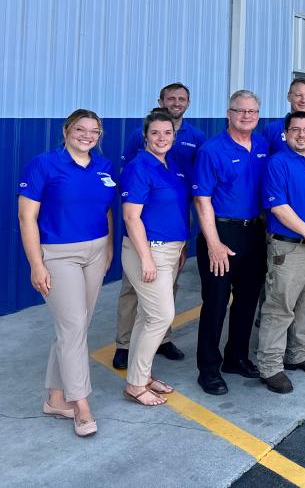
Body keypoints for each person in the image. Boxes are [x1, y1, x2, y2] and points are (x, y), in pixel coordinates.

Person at [18, 109, 115, 436]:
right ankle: (81, 404)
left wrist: (110, 247)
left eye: (94, 131)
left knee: (74, 327)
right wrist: (36, 264)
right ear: (66, 130)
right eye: (80, 129)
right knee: (73, 327)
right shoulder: (44, 164)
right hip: (59, 255)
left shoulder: (103, 166)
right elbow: (26, 218)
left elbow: (107, 209)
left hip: (96, 251)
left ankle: (56, 398)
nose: (87, 135)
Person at [114, 82, 206, 369]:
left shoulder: (196, 136)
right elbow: (130, 180)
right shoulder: (138, 139)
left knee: (169, 284)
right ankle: (124, 342)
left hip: (178, 215)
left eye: (182, 99)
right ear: (161, 101)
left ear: (188, 103)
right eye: (171, 98)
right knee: (134, 285)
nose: (176, 103)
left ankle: (162, 338)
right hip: (147, 217)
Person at [192, 90, 269, 395]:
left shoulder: (262, 145)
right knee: (216, 303)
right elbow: (202, 199)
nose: (246, 116)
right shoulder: (212, 149)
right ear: (229, 113)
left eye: (252, 112)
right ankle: (208, 368)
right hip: (222, 232)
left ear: (258, 116)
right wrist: (213, 243)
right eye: (240, 111)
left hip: (254, 232)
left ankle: (236, 357)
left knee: (248, 300)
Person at [257, 111, 305, 394]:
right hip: (289, 248)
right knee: (280, 307)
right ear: (286, 133)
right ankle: (270, 366)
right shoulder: (277, 163)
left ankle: (299, 354)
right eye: (295, 130)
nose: (302, 134)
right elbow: (278, 206)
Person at [119, 110, 191, 406]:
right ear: (145, 136)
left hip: (170, 249)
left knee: (146, 317)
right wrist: (146, 259)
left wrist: (181, 247)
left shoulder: (171, 164)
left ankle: (142, 375)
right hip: (149, 250)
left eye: (167, 133)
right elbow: (131, 217)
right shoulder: (139, 167)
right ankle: (135, 385)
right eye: (155, 133)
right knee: (161, 316)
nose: (162, 138)